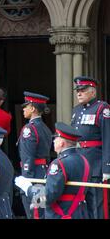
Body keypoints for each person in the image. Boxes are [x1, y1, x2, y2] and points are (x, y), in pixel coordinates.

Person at [16, 122, 91, 219]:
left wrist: (28, 189)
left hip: (61, 214)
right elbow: (90, 196)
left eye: (56, 138)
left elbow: (48, 197)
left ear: (62, 143)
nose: (53, 141)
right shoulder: (85, 161)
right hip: (80, 214)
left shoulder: (59, 164)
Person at [71, 76, 110, 219]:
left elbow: (107, 138)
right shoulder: (76, 110)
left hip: (96, 164)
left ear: (93, 92)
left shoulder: (102, 108)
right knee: (82, 203)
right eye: (77, 91)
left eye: (83, 90)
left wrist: (106, 167)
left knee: (97, 205)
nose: (79, 93)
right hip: (80, 163)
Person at [17, 91, 52, 219]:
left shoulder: (29, 129)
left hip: (32, 176)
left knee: (34, 213)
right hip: (42, 173)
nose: (23, 109)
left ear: (32, 108)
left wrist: (26, 179)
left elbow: (28, 157)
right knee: (40, 211)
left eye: (25, 106)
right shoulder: (45, 128)